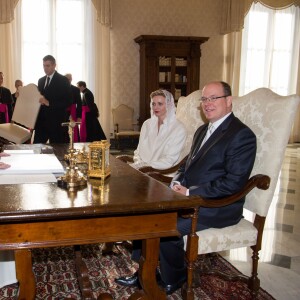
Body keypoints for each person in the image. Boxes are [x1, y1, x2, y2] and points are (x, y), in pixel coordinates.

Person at [115, 81, 257, 295]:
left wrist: (191, 192)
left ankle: (176, 277)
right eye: (204, 99)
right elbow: (187, 163)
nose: (207, 104)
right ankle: (145, 272)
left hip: (217, 206)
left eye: (214, 98)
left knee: (163, 227)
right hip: (190, 198)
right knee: (143, 215)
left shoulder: (241, 135)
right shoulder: (203, 130)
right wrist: (178, 180)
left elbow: (233, 183)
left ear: (228, 101)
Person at [131, 89, 187, 170]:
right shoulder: (147, 124)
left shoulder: (179, 129)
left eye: (160, 104)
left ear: (169, 105)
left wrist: (146, 166)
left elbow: (169, 160)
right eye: (153, 104)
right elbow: (138, 151)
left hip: (161, 174)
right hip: (140, 169)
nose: (155, 107)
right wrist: (138, 163)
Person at [33, 55, 72, 143]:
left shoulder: (63, 80)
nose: (45, 68)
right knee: (37, 150)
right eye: (44, 65)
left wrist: (49, 103)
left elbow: (68, 101)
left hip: (57, 124)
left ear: (54, 65)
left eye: (48, 66)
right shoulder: (41, 81)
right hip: (41, 123)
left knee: (59, 152)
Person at [65, 73, 82, 142]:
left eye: (69, 79)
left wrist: (79, 116)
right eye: (66, 79)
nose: (67, 80)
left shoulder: (76, 89)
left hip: (73, 111)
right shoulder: (60, 88)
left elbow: (79, 103)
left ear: (71, 79)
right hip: (64, 111)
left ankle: (74, 144)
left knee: (74, 128)